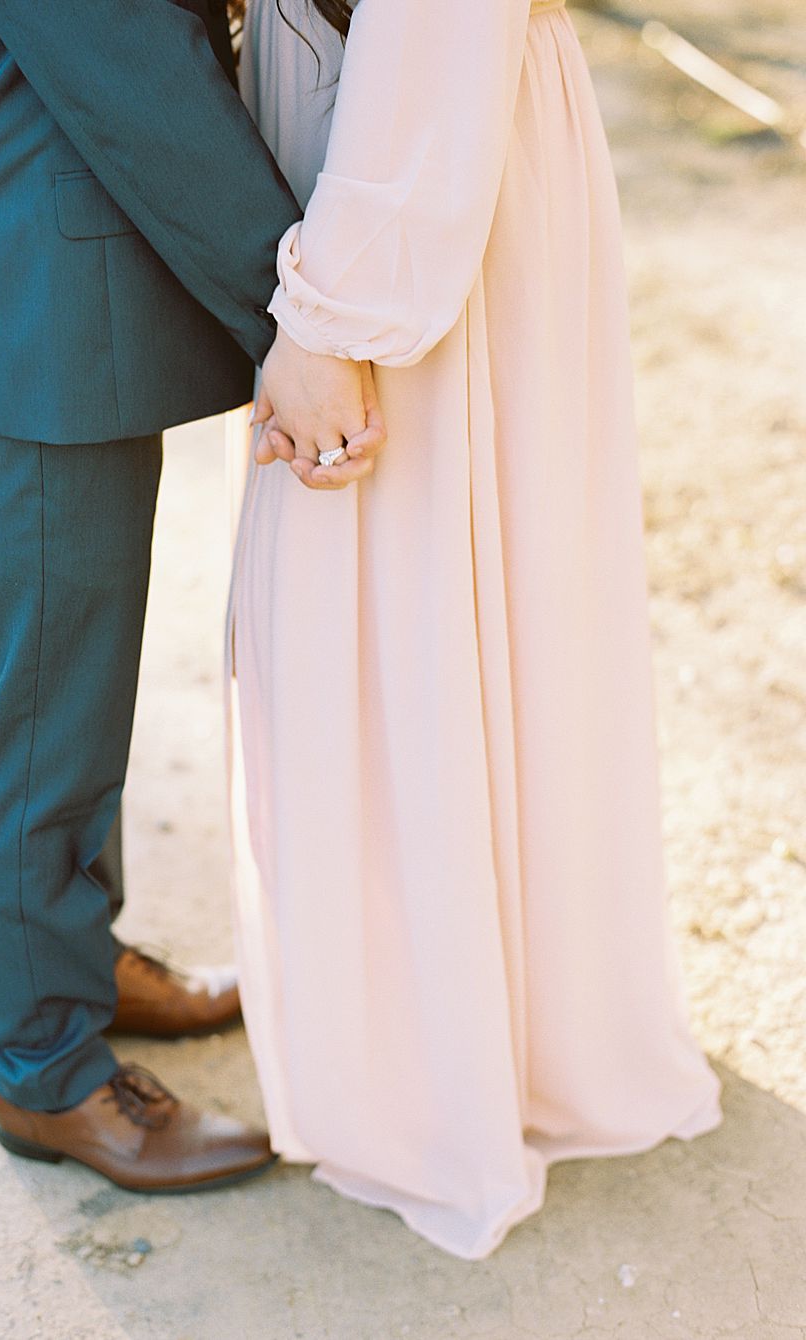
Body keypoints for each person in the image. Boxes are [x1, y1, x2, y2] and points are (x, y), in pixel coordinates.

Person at [228, 0, 722, 1257]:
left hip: (429, 177)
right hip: (409, 162)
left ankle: (442, 1059)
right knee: (463, 594)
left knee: (407, 593)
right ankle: (497, 1026)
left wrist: (329, 320)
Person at [0, 0, 381, 1194]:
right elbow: (128, 72)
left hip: (63, 294)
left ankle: (76, 958)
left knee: (76, 686)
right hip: (27, 311)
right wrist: (292, 311)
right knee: (45, 711)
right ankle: (46, 1069)